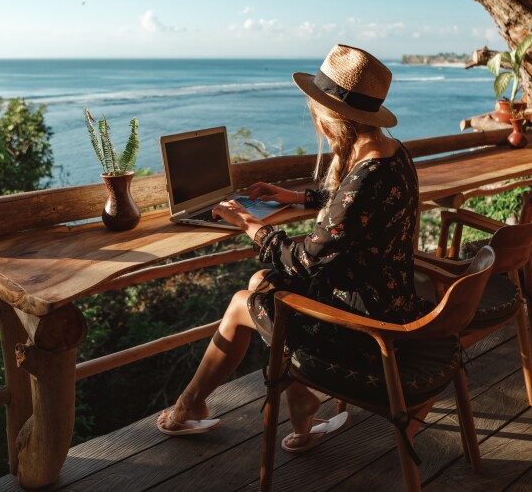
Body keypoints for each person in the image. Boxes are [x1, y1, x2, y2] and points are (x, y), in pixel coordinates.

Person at [156, 44, 421, 452]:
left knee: (244, 301)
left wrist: (251, 225)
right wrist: (296, 198)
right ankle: (299, 410)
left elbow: (306, 262)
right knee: (262, 281)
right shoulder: (392, 153)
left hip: (367, 327)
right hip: (392, 301)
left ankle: (190, 406)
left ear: (331, 116)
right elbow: (355, 210)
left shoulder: (365, 177)